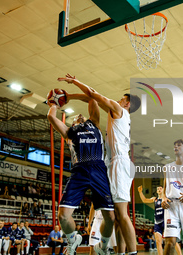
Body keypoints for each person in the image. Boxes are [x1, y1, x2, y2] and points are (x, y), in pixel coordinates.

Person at [58, 74, 141, 255]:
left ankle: (132, 253)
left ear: (127, 103)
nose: (119, 100)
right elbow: (91, 97)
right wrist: (70, 97)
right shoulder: (117, 114)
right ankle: (120, 252)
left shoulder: (119, 110)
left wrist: (75, 82)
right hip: (114, 163)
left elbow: (93, 94)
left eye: (122, 99)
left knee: (122, 214)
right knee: (117, 217)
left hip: (119, 163)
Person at [47, 93, 115, 255]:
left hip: (98, 169)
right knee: (62, 216)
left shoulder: (94, 123)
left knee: (111, 218)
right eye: (76, 118)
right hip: (79, 171)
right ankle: (72, 240)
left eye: (81, 115)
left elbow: (92, 98)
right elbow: (50, 117)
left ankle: (103, 247)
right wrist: (55, 103)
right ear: (72, 123)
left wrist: (69, 96)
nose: (79, 116)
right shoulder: (70, 132)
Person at [138, 185, 181, 255]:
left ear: (163, 190)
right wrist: (140, 192)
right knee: (158, 241)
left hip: (166, 221)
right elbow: (144, 200)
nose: (159, 189)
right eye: (157, 189)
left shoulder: (166, 198)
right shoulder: (155, 199)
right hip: (157, 223)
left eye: (160, 188)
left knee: (173, 241)